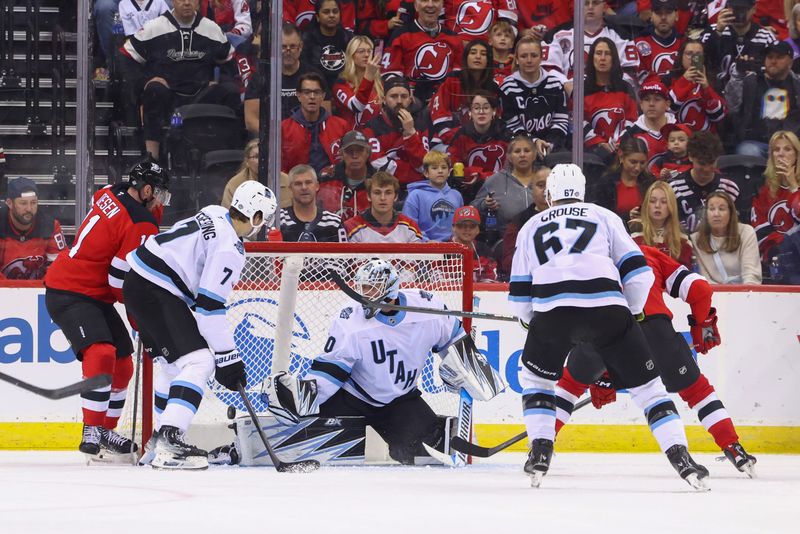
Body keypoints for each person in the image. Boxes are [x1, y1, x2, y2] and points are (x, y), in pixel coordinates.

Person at [509, 163, 708, 490]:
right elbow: (639, 273)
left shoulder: (531, 225)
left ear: (549, 194)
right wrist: (625, 313)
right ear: (582, 191)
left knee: (536, 380)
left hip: (551, 312)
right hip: (608, 309)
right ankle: (681, 457)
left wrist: (536, 322)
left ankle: (540, 450)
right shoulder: (603, 216)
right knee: (649, 390)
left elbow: (519, 296)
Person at [266, 258, 503, 464]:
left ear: (389, 289)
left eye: (371, 289)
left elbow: (455, 339)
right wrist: (305, 397)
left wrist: (470, 370)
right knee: (310, 443)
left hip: (400, 400)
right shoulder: (352, 319)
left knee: (418, 457)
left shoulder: (426, 308)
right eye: (362, 288)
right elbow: (332, 370)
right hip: (351, 397)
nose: (364, 295)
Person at [553, 245, 757, 477]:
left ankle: (541, 446)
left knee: (569, 386)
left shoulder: (585, 258)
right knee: (697, 391)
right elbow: (699, 289)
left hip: (603, 328)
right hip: (654, 328)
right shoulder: (647, 253)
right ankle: (734, 448)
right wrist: (702, 323)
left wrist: (604, 373)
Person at [126, 181, 277, 469]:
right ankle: (170, 439)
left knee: (173, 366)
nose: (262, 225)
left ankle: (158, 444)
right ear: (256, 216)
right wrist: (228, 358)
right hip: (157, 289)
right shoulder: (230, 248)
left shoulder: (214, 212)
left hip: (138, 284)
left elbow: (199, 294)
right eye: (263, 219)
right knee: (200, 361)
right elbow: (209, 308)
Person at [44, 161, 171, 459]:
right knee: (100, 353)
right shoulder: (142, 221)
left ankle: (105, 433)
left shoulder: (109, 193)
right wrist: (137, 314)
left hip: (93, 294)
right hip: (70, 290)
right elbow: (118, 278)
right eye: (160, 195)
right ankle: (92, 428)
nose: (161, 203)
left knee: (123, 363)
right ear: (148, 190)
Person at [121, 0, 239, 161]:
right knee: (154, 90)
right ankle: (151, 157)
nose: (186, 3)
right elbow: (125, 57)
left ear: (198, 2)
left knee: (230, 91)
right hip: (167, 94)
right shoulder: (154, 27)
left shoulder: (211, 29)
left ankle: (227, 156)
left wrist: (219, 81)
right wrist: (145, 81)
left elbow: (230, 63)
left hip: (202, 95)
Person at [244, 23, 327, 132]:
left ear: (300, 47)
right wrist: (277, 138)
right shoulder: (261, 77)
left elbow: (325, 115)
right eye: (283, 47)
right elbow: (251, 121)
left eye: (292, 46)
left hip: (307, 136)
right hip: (270, 138)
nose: (288, 52)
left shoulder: (315, 75)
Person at [726, 41, 800, 159]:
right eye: (770, 57)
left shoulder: (797, 85)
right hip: (756, 143)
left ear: (790, 62)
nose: (773, 61)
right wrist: (737, 76)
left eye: (779, 57)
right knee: (747, 151)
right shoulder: (751, 81)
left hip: (790, 145)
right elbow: (731, 107)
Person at [383, 0, 464, 104]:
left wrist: (443, 94)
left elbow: (458, 74)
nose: (430, 5)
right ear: (416, 6)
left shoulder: (454, 38)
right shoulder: (400, 35)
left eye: (435, 1)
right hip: (410, 101)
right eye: (424, 0)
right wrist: (404, 93)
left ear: (442, 6)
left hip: (444, 100)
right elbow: (390, 72)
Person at [499, 36, 568, 155]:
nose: (529, 60)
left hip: (553, 148)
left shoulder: (555, 84)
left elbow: (561, 121)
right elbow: (511, 126)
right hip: (520, 149)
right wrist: (534, 142)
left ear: (542, 58)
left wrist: (550, 144)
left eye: (534, 55)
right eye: (524, 56)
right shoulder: (507, 87)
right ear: (516, 59)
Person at [362, 76, 431, 185]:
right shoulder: (372, 127)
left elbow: (425, 164)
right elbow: (379, 164)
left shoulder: (420, 123)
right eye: (393, 96)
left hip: (418, 188)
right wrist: (415, 176)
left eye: (404, 96)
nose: (399, 101)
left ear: (410, 99)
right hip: (386, 186)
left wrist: (411, 133)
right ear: (384, 100)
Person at [545, 0, 639, 79]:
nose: (590, 7)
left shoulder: (621, 36)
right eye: (585, 3)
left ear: (604, 6)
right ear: (577, 6)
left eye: (595, 2)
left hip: (608, 97)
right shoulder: (557, 35)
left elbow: (630, 73)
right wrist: (566, 85)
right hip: (569, 96)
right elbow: (548, 69)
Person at [668, 130, 740, 233]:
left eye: (711, 163)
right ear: (690, 156)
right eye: (702, 163)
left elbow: (737, 225)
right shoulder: (674, 188)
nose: (706, 168)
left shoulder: (730, 188)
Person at [472, 135, 539, 245]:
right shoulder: (495, 180)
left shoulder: (544, 178)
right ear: (509, 157)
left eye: (527, 151)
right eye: (517, 151)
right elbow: (473, 207)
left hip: (541, 238)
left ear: (534, 154)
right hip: (508, 242)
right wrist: (485, 204)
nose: (522, 155)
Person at [429, 39, 500, 144]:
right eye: (473, 53)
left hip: (483, 143)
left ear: (488, 60)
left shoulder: (493, 89)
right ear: (466, 57)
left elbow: (496, 120)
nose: (478, 57)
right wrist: (456, 139)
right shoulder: (452, 81)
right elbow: (440, 113)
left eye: (483, 54)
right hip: (447, 141)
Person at [446, 91, 510, 203]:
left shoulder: (505, 135)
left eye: (486, 108)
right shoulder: (461, 135)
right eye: (476, 108)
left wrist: (482, 176)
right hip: (467, 191)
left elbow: (510, 171)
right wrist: (470, 173)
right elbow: (452, 165)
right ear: (470, 112)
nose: (481, 112)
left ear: (494, 111)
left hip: (501, 191)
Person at [583, 38, 639, 164]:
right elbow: (577, 122)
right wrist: (599, 143)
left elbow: (632, 120)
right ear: (592, 57)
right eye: (598, 53)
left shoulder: (625, 87)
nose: (602, 58)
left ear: (613, 58)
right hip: (591, 153)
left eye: (607, 54)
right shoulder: (582, 89)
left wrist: (620, 142)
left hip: (623, 149)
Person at [281, 72, 349, 175]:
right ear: (298, 95)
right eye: (307, 92)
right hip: (296, 185)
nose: (312, 96)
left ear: (323, 96)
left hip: (332, 185)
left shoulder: (341, 126)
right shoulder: (284, 128)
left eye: (316, 92)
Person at [0, 177, 66, 280]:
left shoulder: (50, 226)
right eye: (23, 203)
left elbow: (60, 268)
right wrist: (9, 291)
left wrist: (39, 288)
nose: (29, 209)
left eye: (33, 203)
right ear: (9, 203)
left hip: (38, 291)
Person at [701, 0, 777, 87]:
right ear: (728, 8)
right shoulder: (712, 30)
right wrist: (717, 32)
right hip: (716, 92)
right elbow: (700, 59)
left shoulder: (766, 37)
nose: (739, 14)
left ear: (754, 9)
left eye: (743, 9)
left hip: (751, 93)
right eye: (735, 9)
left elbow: (773, 72)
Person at [691, 191, 762, 284]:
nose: (716, 214)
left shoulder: (746, 232)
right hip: (715, 295)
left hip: (745, 293)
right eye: (711, 209)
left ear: (731, 213)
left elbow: (751, 274)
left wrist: (747, 294)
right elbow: (704, 279)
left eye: (721, 209)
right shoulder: (696, 239)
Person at [751, 130, 800, 261]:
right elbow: (759, 231)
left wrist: (794, 187)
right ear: (771, 155)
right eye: (776, 149)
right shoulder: (762, 187)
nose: (781, 154)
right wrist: (786, 243)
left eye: (787, 149)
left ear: (796, 155)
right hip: (777, 254)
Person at [587, 136, 655, 223]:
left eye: (642, 163)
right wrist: (627, 216)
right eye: (633, 162)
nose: (638, 168)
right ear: (621, 156)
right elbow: (600, 217)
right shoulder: (606, 184)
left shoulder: (650, 183)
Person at [664, 39, 727, 133]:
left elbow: (718, 116)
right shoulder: (668, 79)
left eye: (698, 55)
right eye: (689, 54)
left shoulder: (713, 81)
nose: (694, 58)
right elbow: (668, 109)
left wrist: (706, 89)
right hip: (676, 138)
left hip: (705, 140)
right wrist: (684, 81)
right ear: (681, 56)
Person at [402, 150, 464, 241]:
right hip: (424, 248)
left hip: (453, 246)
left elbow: (460, 224)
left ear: (449, 172)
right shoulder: (415, 195)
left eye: (443, 167)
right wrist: (426, 241)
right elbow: (408, 225)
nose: (440, 171)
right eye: (434, 168)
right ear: (426, 173)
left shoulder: (457, 196)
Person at [344, 172, 424, 242]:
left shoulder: (410, 227)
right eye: (377, 193)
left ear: (395, 196)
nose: (383, 198)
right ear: (368, 196)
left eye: (388, 193)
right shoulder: (351, 227)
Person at [500, 164, 549, 278]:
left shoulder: (567, 217)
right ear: (532, 189)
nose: (546, 190)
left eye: (551, 185)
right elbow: (509, 262)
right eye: (541, 185)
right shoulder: (519, 222)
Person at [630, 181, 693, 268]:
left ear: (671, 206)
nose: (657, 205)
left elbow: (685, 271)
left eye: (664, 202)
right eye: (652, 201)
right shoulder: (634, 228)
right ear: (646, 204)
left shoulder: (681, 236)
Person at [318, 130, 377, 220]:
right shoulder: (326, 178)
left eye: (360, 150)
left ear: (368, 153)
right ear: (341, 154)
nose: (355, 156)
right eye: (349, 151)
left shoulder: (378, 181)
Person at [279, 165, 346, 242]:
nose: (304, 187)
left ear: (317, 186)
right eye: (298, 184)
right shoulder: (278, 220)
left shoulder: (334, 222)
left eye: (308, 182)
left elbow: (343, 254)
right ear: (290, 188)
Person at [301, 0, 353, 93]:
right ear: (317, 17)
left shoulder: (349, 39)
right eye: (326, 12)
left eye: (335, 11)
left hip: (345, 91)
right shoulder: (306, 40)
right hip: (317, 92)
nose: (332, 15)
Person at [332, 35, 384, 129]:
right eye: (361, 51)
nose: (367, 55)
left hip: (377, 137)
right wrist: (368, 77)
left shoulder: (380, 83)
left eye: (369, 51)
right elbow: (356, 106)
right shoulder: (341, 84)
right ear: (352, 55)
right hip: (352, 138)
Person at [627, 78, 676, 165]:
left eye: (657, 99)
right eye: (647, 99)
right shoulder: (630, 134)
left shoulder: (679, 129)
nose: (651, 104)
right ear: (641, 104)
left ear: (667, 104)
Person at [634, 0, 683, 83]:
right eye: (658, 13)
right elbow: (642, 82)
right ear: (651, 16)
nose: (663, 17)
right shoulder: (638, 44)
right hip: (651, 95)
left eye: (668, 12)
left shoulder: (685, 44)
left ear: (676, 15)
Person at [451, 205, 498, 281]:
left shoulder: (485, 250)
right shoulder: (442, 249)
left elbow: (491, 277)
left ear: (478, 229)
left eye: (472, 226)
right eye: (462, 225)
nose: (467, 229)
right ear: (453, 227)